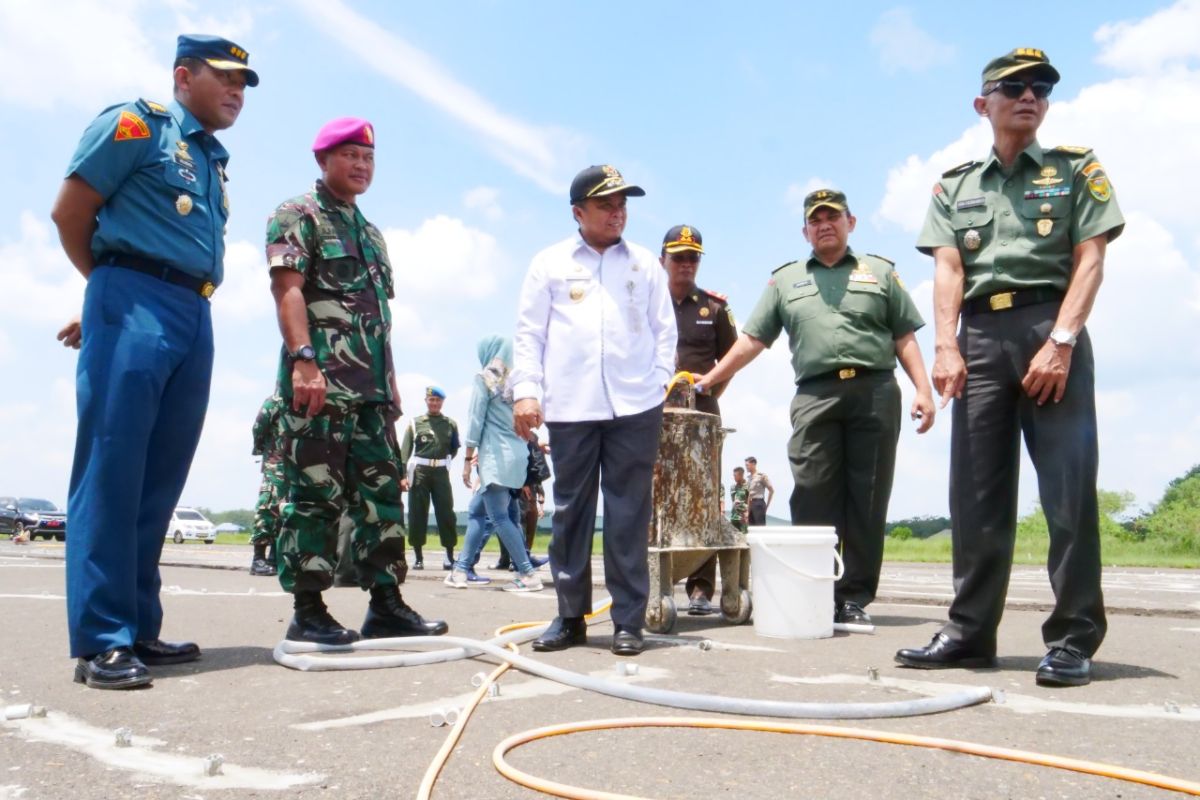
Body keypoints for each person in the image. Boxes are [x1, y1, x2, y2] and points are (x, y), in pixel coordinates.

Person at [894, 48, 1124, 687]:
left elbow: (1092, 257)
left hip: (1050, 329)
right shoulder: (955, 184)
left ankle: (1074, 638)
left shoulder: (1076, 170)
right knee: (975, 496)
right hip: (981, 337)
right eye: (1015, 86)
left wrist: (1063, 339)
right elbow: (947, 268)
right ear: (983, 103)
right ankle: (970, 633)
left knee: (1067, 494)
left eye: (1042, 87)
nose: (1031, 95)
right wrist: (946, 346)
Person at [51, 34, 258, 690]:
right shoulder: (137, 124)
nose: (236, 91)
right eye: (224, 77)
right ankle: (101, 639)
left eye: (243, 83)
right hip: (134, 300)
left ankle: (138, 626)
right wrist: (109, 290)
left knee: (158, 481)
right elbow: (70, 212)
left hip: (192, 310)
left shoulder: (212, 160)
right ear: (182, 75)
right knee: (112, 471)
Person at [697, 188, 935, 626]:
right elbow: (752, 339)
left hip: (876, 392)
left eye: (833, 217)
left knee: (868, 496)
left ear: (851, 223)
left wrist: (923, 388)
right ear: (805, 230)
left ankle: (854, 597)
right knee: (811, 492)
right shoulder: (786, 281)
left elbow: (904, 335)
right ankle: (814, 590)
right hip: (815, 394)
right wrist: (711, 378)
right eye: (816, 219)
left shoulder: (880, 272)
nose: (825, 224)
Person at [266, 117, 446, 645]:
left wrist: (390, 388)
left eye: (368, 158)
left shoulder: (370, 234)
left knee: (382, 497)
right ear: (323, 160)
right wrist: (304, 359)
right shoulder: (297, 214)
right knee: (315, 496)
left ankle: (386, 603)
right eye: (350, 156)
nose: (361, 166)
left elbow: (376, 318)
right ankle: (308, 609)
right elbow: (288, 290)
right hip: (318, 385)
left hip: (370, 393)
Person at [512, 164, 676, 656]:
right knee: (570, 512)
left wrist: (659, 384)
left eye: (623, 203)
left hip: (635, 406)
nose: (618, 212)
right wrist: (527, 391)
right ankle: (569, 617)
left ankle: (628, 621)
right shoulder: (549, 262)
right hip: (570, 405)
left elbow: (663, 331)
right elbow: (529, 333)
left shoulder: (644, 263)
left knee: (628, 514)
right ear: (578, 212)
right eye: (606, 204)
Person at [660, 224, 738, 616]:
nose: (686, 264)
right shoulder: (646, 304)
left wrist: (706, 396)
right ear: (663, 260)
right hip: (653, 416)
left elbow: (730, 362)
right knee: (654, 499)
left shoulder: (715, 308)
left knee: (703, 498)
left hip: (702, 416)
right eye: (679, 256)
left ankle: (701, 590)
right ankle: (652, 580)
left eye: (693, 257)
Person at [448, 336, 544, 592]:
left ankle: (527, 573)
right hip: (516, 457)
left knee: (500, 517)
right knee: (478, 511)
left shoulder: (484, 379)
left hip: (495, 456)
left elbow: (476, 419)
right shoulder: (516, 384)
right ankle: (461, 570)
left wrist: (468, 459)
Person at [400, 386, 461, 570]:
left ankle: (449, 556)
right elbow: (404, 453)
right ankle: (418, 557)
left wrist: (441, 462)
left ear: (442, 402)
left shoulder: (450, 424)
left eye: (438, 400)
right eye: (431, 400)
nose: (435, 403)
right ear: (426, 401)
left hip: (441, 473)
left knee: (446, 513)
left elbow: (454, 448)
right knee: (417, 513)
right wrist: (403, 476)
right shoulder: (414, 423)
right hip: (420, 473)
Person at [250, 395, 285, 576]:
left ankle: (274, 558)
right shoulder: (276, 400)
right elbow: (258, 427)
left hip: (296, 465)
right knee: (268, 506)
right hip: (276, 463)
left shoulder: (308, 400)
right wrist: (263, 450)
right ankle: (258, 559)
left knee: (285, 511)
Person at [743, 457, 774, 525]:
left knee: (760, 528)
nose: (746, 467)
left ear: (753, 464)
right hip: (750, 504)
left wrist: (767, 506)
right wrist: (747, 510)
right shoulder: (748, 478)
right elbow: (748, 495)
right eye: (745, 465)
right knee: (751, 529)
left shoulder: (761, 476)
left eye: (747, 465)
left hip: (759, 503)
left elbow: (771, 490)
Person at [729, 467, 750, 533]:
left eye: (735, 476)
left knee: (744, 538)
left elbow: (750, 501)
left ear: (741, 475)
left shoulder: (748, 486)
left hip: (743, 517)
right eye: (733, 475)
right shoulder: (733, 487)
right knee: (733, 538)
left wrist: (747, 513)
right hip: (734, 517)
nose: (734, 477)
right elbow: (733, 501)